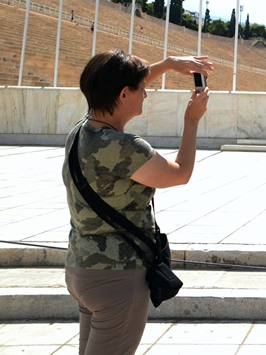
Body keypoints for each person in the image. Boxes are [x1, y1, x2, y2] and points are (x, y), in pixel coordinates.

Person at [63, 50, 212, 355]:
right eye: (141, 89)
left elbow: (119, 84)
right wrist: (192, 121)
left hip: (81, 269)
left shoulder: (79, 133)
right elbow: (180, 173)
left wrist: (169, 64)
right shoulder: (126, 148)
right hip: (117, 277)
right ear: (122, 94)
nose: (147, 93)